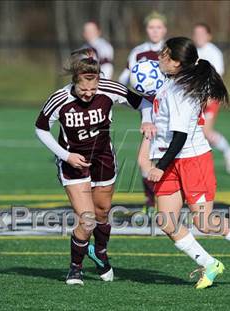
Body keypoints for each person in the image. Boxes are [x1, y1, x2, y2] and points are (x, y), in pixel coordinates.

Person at [138, 37, 230, 289]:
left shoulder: (181, 90)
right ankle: (209, 263)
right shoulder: (171, 83)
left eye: (164, 54)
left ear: (177, 62)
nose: (159, 57)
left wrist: (159, 165)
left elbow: (179, 137)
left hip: (192, 160)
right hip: (171, 160)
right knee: (166, 221)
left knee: (205, 222)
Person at [35, 48, 155, 286]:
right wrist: (65, 155)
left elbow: (143, 103)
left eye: (93, 88)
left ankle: (100, 252)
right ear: (74, 82)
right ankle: (75, 269)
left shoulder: (109, 89)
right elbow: (40, 128)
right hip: (73, 163)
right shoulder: (59, 99)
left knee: (101, 213)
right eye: (83, 89)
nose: (89, 93)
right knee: (87, 220)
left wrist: (147, 120)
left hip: (103, 159)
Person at [119, 11, 167, 215]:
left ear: (164, 29)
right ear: (146, 30)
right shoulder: (138, 53)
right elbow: (126, 78)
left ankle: (172, 201)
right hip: (148, 112)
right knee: (146, 157)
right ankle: (150, 202)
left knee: (171, 154)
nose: (155, 31)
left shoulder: (171, 50)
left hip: (170, 111)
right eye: (151, 27)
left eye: (158, 27)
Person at [192, 23, 230, 174]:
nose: (199, 36)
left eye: (202, 33)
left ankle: (228, 151)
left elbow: (217, 77)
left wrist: (211, 96)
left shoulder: (213, 52)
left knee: (205, 132)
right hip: (193, 99)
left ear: (209, 36)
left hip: (210, 97)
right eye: (196, 33)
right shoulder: (191, 52)